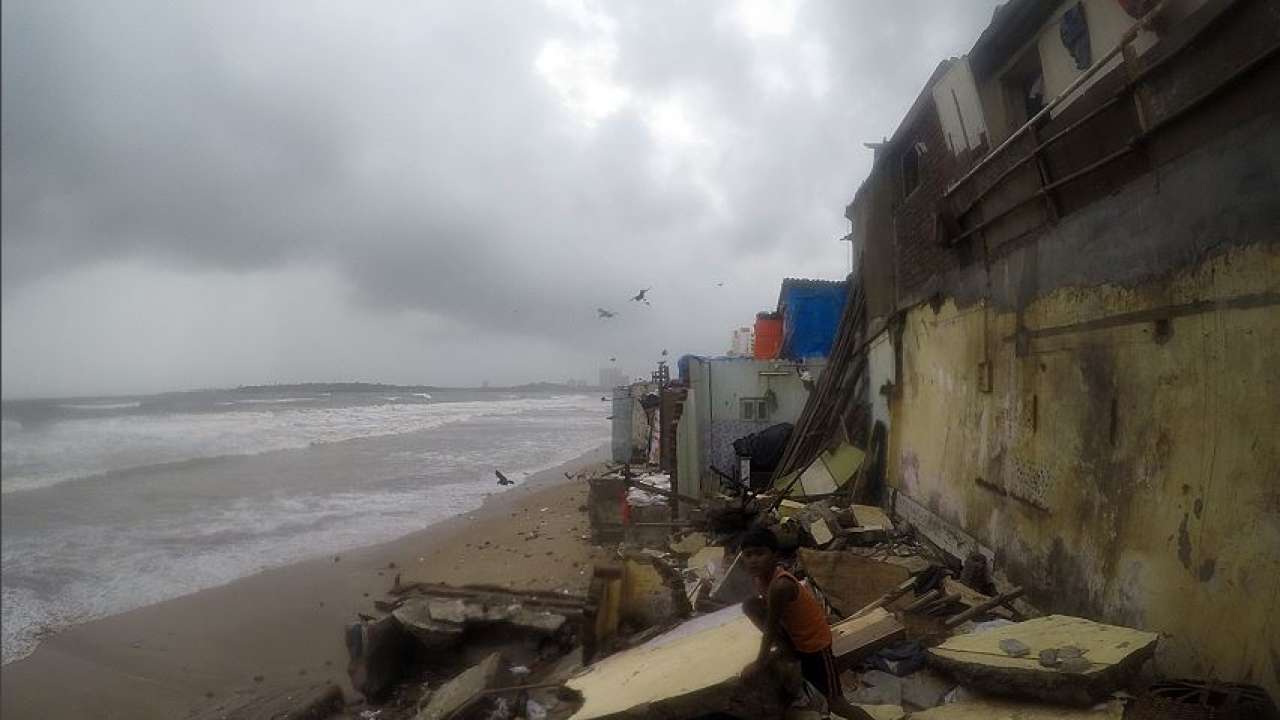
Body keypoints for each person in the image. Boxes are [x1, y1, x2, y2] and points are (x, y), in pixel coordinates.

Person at [740, 526, 872, 720]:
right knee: (750, 605)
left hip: (814, 646)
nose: (753, 560)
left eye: (760, 553)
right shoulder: (760, 579)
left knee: (836, 703)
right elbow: (769, 617)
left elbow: (771, 626)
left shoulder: (781, 586)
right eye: (748, 554)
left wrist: (759, 663)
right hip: (795, 639)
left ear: (775, 555)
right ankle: (787, 651)